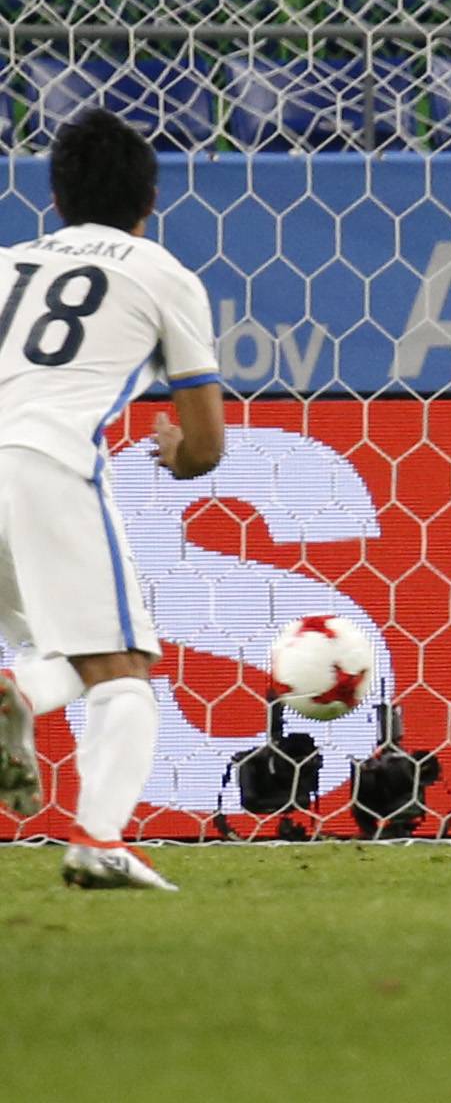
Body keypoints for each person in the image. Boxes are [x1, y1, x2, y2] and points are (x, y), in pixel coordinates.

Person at [0, 108, 224, 890]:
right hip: (48, 463)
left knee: (60, 642)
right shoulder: (161, 272)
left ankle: (21, 689)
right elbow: (205, 447)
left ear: (54, 201)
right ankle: (97, 840)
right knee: (125, 665)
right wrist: (172, 451)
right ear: (148, 202)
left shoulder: (7, 263)